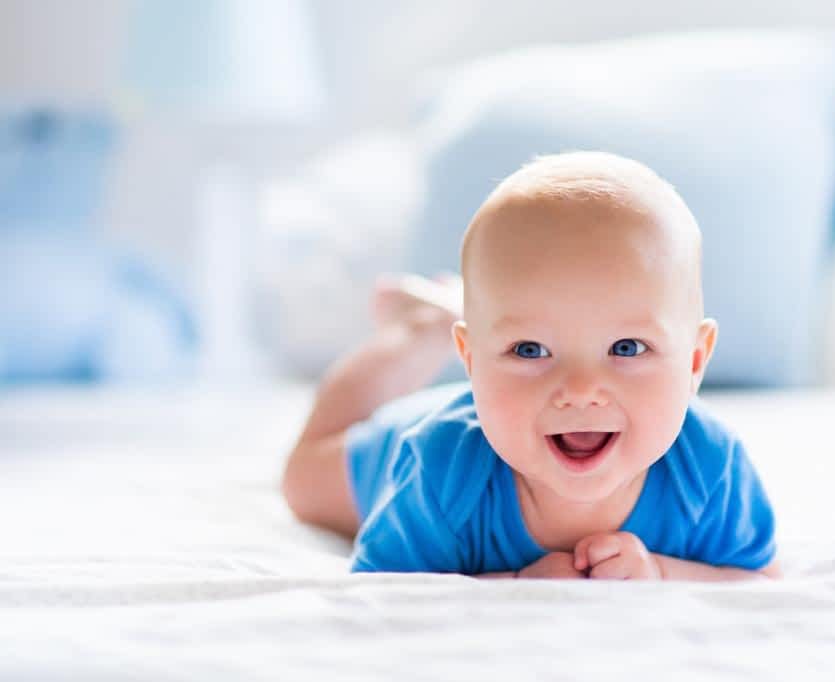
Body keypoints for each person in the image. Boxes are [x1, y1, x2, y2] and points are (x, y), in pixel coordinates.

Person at [282, 151, 779, 580]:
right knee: (302, 481)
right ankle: (420, 331)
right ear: (471, 360)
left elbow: (756, 578)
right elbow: (385, 594)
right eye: (530, 350)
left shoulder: (710, 468)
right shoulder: (439, 468)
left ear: (694, 361)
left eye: (626, 348)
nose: (582, 389)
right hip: (394, 448)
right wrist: (515, 580)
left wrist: (660, 571)